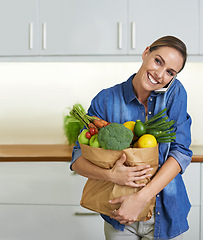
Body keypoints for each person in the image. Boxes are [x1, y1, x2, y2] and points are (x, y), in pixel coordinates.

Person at [70, 35, 193, 240]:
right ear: (146, 53)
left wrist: (141, 197)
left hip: (166, 213)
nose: (159, 74)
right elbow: (77, 160)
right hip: (120, 216)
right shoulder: (106, 99)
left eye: (170, 72)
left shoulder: (174, 94)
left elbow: (180, 152)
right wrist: (112, 175)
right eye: (158, 61)